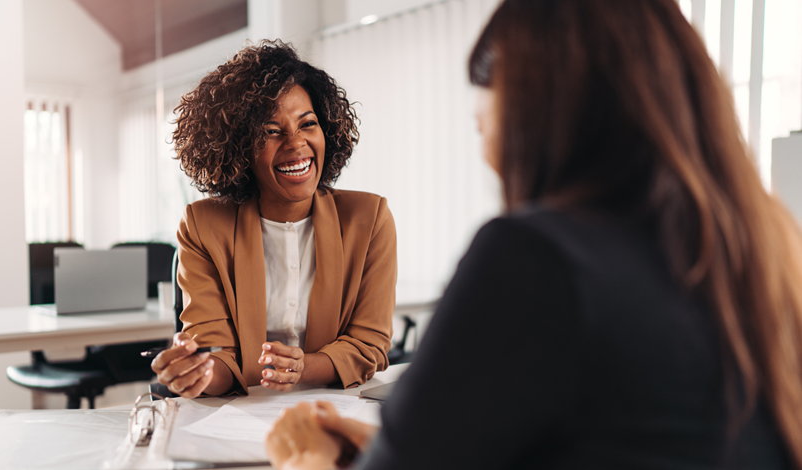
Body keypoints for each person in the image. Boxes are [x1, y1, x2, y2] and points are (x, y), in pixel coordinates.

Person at [264, 0, 802, 468]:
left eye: (484, 125)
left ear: (536, 114)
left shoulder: (536, 258)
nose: (486, 154)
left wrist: (304, 458)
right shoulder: (764, 248)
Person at [151, 41, 397, 398]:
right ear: (239, 146)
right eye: (270, 131)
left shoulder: (369, 219)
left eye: (307, 123)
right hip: (239, 414)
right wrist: (197, 372)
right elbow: (217, 355)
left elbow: (369, 344)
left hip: (333, 406)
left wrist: (303, 368)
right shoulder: (203, 225)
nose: (296, 144)